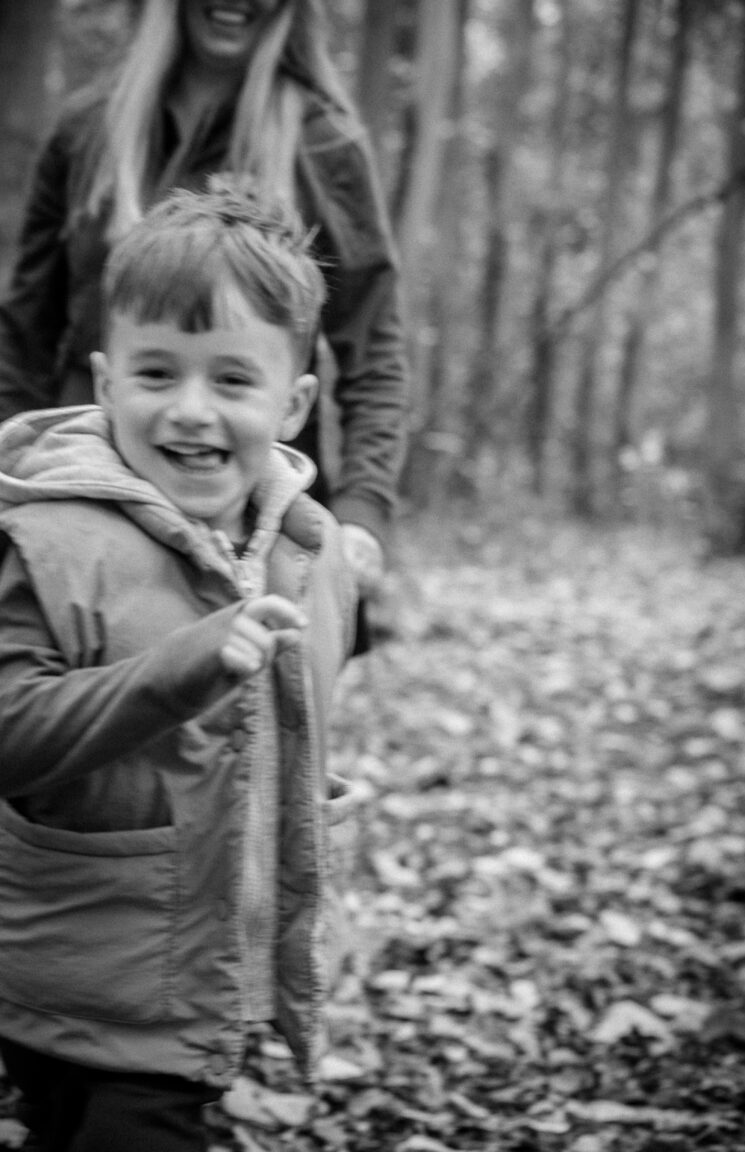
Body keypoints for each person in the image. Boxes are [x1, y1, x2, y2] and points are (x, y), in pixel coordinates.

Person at [0, 183, 358, 1151]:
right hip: (60, 966)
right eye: (158, 374)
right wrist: (174, 674)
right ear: (107, 380)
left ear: (294, 402)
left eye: (232, 381)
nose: (190, 411)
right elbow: (11, 733)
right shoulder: (45, 539)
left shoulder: (305, 548)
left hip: (190, 988)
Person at [0, 0, 407, 604]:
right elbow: (24, 333)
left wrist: (362, 513)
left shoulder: (324, 145)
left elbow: (373, 348)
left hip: (251, 525)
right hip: (85, 502)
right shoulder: (87, 129)